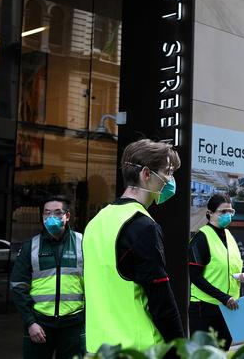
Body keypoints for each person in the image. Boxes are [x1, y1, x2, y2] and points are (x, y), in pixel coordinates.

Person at [83, 139, 184, 352]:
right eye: (167, 172)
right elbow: (161, 300)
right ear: (146, 174)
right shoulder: (143, 225)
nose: (170, 180)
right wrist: (181, 348)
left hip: (98, 348)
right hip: (138, 349)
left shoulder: (95, 223)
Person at [10, 196, 85, 359]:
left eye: (57, 213)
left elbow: (95, 284)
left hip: (74, 325)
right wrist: (30, 322)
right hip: (40, 324)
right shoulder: (31, 246)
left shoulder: (83, 243)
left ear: (67, 216)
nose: (51, 217)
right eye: (47, 213)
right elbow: (18, 286)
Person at [188, 193, 244, 349]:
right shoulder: (201, 238)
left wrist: (240, 276)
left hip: (229, 308)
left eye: (230, 212)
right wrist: (223, 297)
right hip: (205, 309)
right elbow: (195, 277)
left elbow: (226, 269)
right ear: (210, 213)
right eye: (222, 212)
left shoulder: (229, 236)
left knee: (222, 352)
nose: (228, 215)